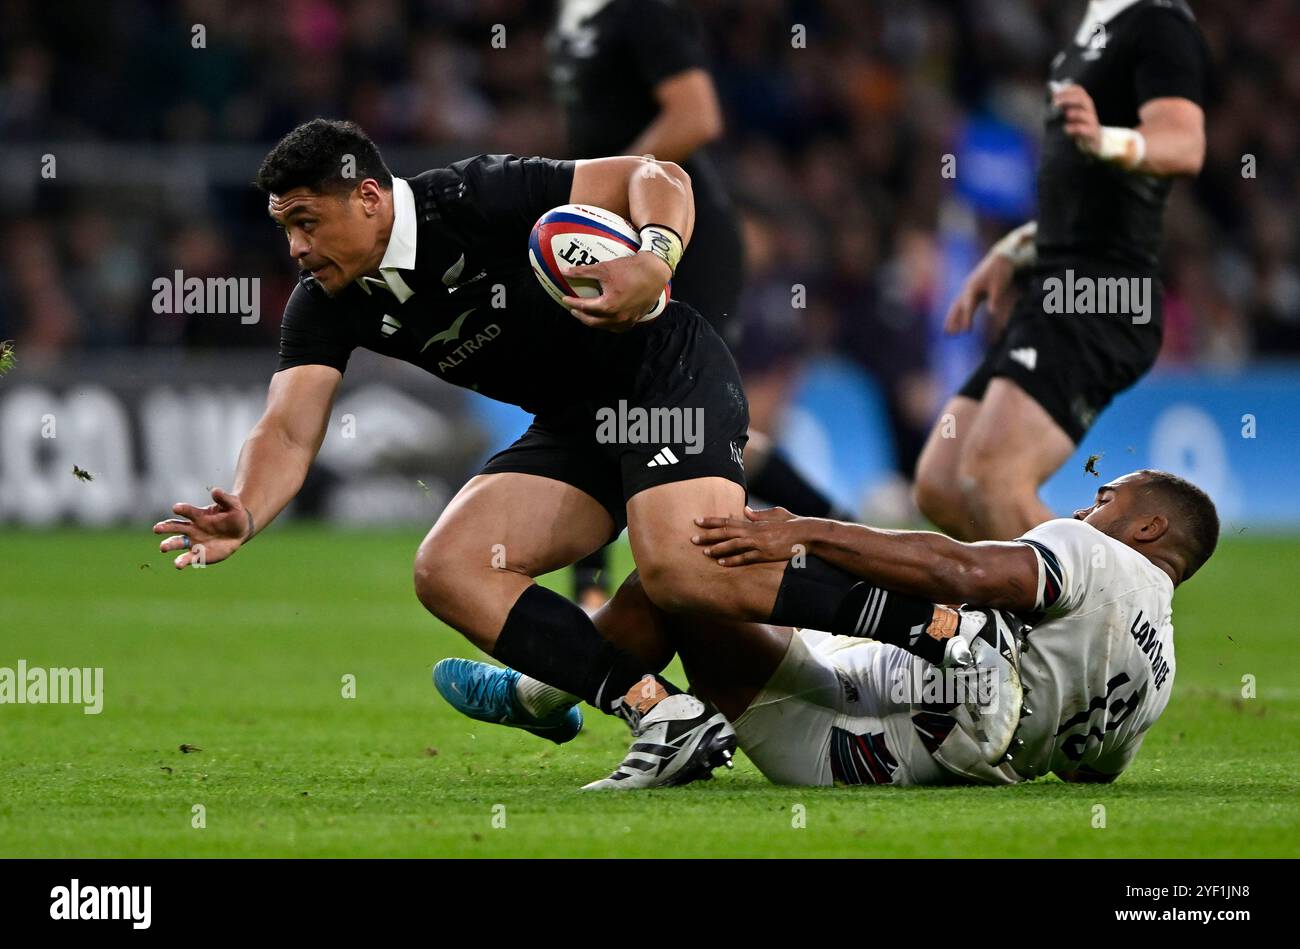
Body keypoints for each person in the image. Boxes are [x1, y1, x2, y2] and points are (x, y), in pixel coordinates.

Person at [153, 118, 754, 790]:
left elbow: (656, 174)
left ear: (369, 198)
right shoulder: (326, 302)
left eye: (308, 221)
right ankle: (664, 712)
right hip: (576, 426)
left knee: (679, 571)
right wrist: (249, 509)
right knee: (450, 566)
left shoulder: (473, 195)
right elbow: (289, 429)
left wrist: (656, 256)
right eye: (285, 228)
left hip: (666, 376)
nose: (296, 247)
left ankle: (870, 617)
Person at [441, 470, 1218, 787]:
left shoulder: (1093, 553)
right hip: (899, 758)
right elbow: (1092, 773)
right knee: (942, 631)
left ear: (1147, 525)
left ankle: (541, 693)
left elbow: (964, 571)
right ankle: (553, 697)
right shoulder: (1165, 668)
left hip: (897, 711)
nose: (1087, 509)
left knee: (675, 583)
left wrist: (804, 532)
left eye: (1106, 497)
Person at [549, 0, 846, 610]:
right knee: (631, 406)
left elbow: (696, 116)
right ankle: (840, 528)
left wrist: (617, 192)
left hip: (676, 237)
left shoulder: (644, 11)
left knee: (634, 404)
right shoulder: (577, 16)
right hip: (617, 235)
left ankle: (597, 594)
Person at [914, 0, 1210, 540]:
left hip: (1102, 293)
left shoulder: (1158, 23)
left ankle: (1112, 617)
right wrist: (1016, 248)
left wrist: (1108, 140)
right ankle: (1050, 609)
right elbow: (1077, 195)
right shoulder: (1090, 31)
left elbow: (1185, 143)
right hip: (1053, 286)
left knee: (993, 479)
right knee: (944, 484)